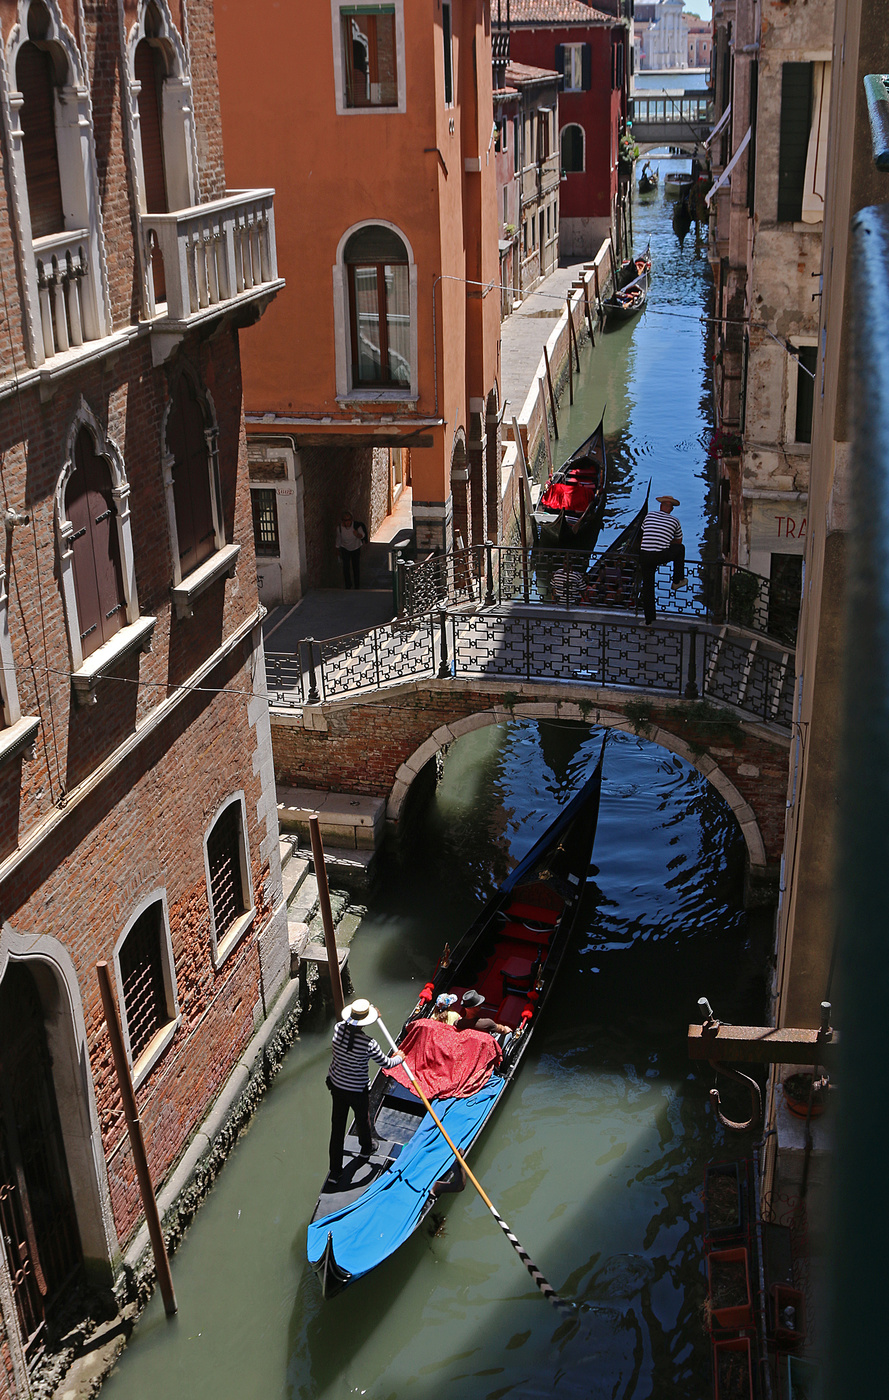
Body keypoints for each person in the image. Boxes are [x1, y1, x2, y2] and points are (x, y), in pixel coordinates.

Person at [326, 997, 403, 1179]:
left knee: (337, 1129)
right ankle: (366, 1148)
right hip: (357, 1090)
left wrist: (373, 1014)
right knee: (362, 1119)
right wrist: (400, 1056)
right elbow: (387, 1063)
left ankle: (335, 1172)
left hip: (336, 1085)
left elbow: (349, 1036)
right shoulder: (369, 1044)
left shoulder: (338, 1030)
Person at [639, 494, 687, 625]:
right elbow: (678, 541)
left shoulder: (649, 516)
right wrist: (665, 541)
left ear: (661, 506)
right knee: (681, 549)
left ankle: (649, 621)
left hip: (644, 555)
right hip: (660, 555)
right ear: (671, 509)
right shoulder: (675, 521)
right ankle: (677, 580)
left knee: (648, 589)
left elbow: (644, 535)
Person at [335, 510, 367, 589]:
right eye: (345, 520)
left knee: (355, 567)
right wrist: (337, 550)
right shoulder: (339, 528)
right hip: (345, 548)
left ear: (351, 519)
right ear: (343, 521)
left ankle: (357, 586)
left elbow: (362, 535)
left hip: (356, 548)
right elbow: (338, 539)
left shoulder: (356, 526)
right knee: (346, 568)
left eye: (349, 520)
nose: (348, 522)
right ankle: (348, 585)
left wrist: (357, 534)